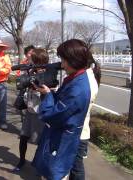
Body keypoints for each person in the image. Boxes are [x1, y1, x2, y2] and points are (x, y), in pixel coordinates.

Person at [32, 39, 101, 180]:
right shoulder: (80, 77)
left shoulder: (79, 88)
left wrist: (47, 95)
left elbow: (51, 115)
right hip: (72, 133)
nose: (62, 65)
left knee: (62, 171)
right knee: (73, 169)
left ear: (74, 60)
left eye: (64, 60)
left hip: (68, 137)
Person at [13, 48, 47, 172]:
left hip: (41, 112)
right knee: (23, 137)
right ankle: (21, 161)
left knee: (40, 141)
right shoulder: (30, 71)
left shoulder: (49, 72)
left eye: (32, 58)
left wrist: (39, 87)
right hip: (30, 109)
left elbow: (53, 90)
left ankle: (40, 166)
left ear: (39, 60)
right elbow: (22, 84)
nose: (29, 60)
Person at [69, 56, 100, 180]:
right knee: (75, 167)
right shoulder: (86, 77)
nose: (63, 64)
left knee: (76, 168)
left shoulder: (84, 81)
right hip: (80, 131)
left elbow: (72, 109)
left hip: (78, 133)